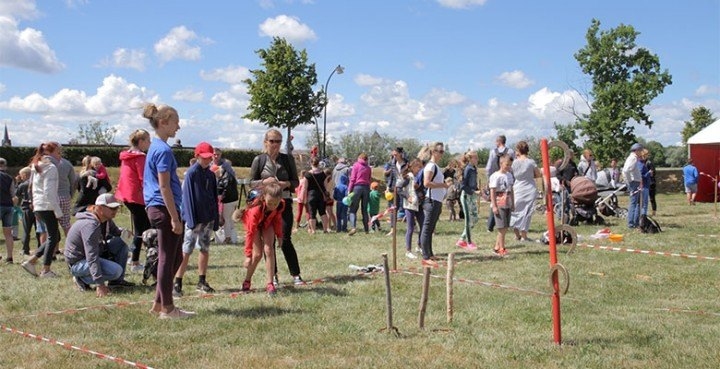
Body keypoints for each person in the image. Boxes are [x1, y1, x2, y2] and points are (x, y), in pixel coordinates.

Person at [142, 103, 195, 320]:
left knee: (175, 258)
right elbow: (164, 186)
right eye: (175, 122)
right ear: (163, 122)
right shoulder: (162, 150)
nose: (178, 126)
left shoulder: (157, 146)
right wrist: (174, 217)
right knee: (167, 258)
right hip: (164, 208)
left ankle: (158, 303)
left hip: (160, 207)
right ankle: (169, 309)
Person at [249, 128, 305, 286]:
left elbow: (296, 182)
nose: (275, 144)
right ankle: (272, 276)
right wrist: (263, 182)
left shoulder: (287, 159)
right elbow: (250, 183)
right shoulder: (259, 160)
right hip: (265, 206)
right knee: (269, 242)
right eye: (272, 141)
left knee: (285, 239)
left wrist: (285, 183)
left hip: (284, 202)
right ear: (266, 142)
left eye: (278, 141)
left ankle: (296, 274)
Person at [172, 142, 220, 297]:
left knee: (204, 249)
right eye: (204, 157)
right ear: (197, 156)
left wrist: (216, 217)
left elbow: (213, 197)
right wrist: (191, 220)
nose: (207, 161)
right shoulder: (192, 173)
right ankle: (177, 282)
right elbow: (187, 199)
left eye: (209, 158)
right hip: (194, 220)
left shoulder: (211, 175)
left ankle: (202, 280)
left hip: (208, 219)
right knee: (187, 249)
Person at [65, 193, 135, 295]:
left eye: (116, 208)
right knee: (116, 271)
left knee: (121, 241)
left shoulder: (105, 220)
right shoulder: (90, 226)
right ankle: (81, 279)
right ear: (99, 208)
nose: (115, 211)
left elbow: (115, 231)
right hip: (79, 262)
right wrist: (100, 284)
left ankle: (116, 282)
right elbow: (91, 256)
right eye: (112, 208)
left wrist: (124, 232)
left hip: (94, 255)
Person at [21, 143, 63, 278]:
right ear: (50, 152)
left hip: (39, 205)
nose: (60, 154)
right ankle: (45, 270)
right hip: (47, 205)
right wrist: (57, 210)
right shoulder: (50, 168)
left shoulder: (36, 166)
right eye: (58, 151)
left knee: (55, 236)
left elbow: (31, 187)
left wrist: (34, 203)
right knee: (53, 236)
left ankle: (32, 261)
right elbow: (49, 192)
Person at [236, 182, 284, 295]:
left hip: (268, 223)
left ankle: (270, 283)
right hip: (255, 224)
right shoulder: (255, 209)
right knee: (257, 255)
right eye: (270, 203)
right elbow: (250, 233)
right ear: (264, 197)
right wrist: (248, 256)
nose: (272, 206)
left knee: (269, 250)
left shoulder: (280, 205)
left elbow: (277, 221)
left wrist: (280, 236)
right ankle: (247, 281)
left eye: (275, 204)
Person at [116, 129, 152, 272]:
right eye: (148, 140)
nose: (149, 143)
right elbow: (144, 178)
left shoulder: (126, 156)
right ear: (141, 141)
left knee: (141, 227)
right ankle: (135, 262)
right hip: (137, 197)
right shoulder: (140, 157)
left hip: (127, 196)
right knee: (143, 229)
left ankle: (133, 257)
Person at [419, 142, 449, 268]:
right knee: (426, 228)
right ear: (434, 152)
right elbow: (426, 183)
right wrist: (442, 185)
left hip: (436, 200)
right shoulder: (431, 167)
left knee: (431, 228)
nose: (442, 154)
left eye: (443, 151)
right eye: (440, 151)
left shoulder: (435, 166)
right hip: (431, 200)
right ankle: (425, 256)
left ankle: (430, 254)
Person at [510, 141, 542, 242]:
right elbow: (538, 174)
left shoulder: (514, 162)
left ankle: (516, 235)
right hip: (529, 187)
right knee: (527, 212)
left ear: (518, 150)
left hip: (518, 187)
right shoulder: (531, 162)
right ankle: (524, 236)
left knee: (515, 210)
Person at [45, 142, 77, 238]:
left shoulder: (44, 164)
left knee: (51, 226)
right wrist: (71, 194)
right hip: (64, 196)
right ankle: (72, 246)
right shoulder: (67, 164)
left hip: (49, 198)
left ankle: (54, 249)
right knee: (66, 224)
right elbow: (73, 181)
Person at [485, 135, 515, 232]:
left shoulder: (493, 152)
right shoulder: (510, 152)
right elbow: (512, 166)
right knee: (504, 203)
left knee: (495, 201)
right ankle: (503, 224)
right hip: (506, 178)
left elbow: (488, 168)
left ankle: (492, 225)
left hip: (495, 179)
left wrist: (488, 179)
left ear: (498, 142)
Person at [490, 155, 515, 256]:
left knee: (505, 227)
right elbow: (492, 191)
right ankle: (502, 248)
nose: (508, 167)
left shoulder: (509, 175)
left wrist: (513, 203)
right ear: (501, 164)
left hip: (507, 203)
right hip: (499, 203)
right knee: (501, 227)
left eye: (510, 165)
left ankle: (497, 247)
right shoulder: (495, 176)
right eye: (507, 164)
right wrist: (494, 206)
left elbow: (511, 190)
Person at [456, 150, 480, 250]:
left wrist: (478, 190)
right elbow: (462, 185)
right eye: (475, 157)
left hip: (472, 196)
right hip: (466, 196)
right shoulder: (468, 169)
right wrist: (473, 191)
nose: (477, 159)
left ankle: (461, 239)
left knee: (475, 218)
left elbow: (473, 183)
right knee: (468, 219)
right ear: (470, 158)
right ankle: (468, 242)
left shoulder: (474, 169)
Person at [402, 158, 424, 259]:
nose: (420, 169)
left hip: (418, 204)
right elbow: (398, 189)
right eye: (419, 167)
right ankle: (408, 251)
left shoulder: (418, 177)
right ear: (413, 167)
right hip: (409, 205)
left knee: (423, 225)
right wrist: (407, 197)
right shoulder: (408, 177)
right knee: (410, 228)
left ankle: (419, 246)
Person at [15, 167, 40, 256]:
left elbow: (16, 194)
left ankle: (25, 249)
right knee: (39, 229)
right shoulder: (37, 182)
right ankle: (40, 248)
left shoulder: (23, 185)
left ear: (25, 175)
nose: (20, 177)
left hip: (26, 209)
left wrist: (18, 183)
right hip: (37, 208)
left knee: (26, 230)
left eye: (21, 175)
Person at [303, 156, 330, 234]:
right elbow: (325, 186)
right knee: (323, 212)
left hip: (311, 195)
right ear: (318, 164)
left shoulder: (307, 175)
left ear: (311, 163)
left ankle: (313, 230)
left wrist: (304, 198)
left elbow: (305, 188)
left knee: (312, 214)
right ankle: (325, 229)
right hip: (321, 195)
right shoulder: (323, 174)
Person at [622, 143, 644, 229]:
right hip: (634, 182)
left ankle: (636, 221)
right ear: (637, 150)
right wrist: (629, 181)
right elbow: (626, 170)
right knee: (633, 203)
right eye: (640, 151)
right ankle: (631, 223)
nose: (641, 153)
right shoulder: (633, 158)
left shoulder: (633, 158)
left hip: (635, 182)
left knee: (638, 203)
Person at [216, 165, 239, 244]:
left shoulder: (226, 177)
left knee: (226, 219)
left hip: (228, 201)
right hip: (234, 200)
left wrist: (222, 196)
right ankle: (233, 237)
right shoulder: (231, 176)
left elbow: (226, 189)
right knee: (230, 219)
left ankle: (228, 237)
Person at [0, 158, 16, 263]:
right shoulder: (9, 178)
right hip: (8, 206)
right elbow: (13, 194)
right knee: (8, 234)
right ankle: (9, 257)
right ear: (4, 166)